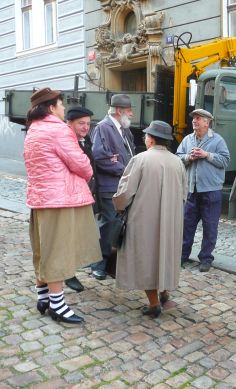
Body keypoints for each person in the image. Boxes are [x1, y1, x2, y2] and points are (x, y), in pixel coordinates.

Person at [24, 87, 101, 324]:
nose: (64, 108)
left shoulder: (33, 130)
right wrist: (87, 170)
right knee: (57, 252)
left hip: (40, 199)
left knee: (43, 249)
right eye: (61, 104)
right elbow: (82, 164)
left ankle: (43, 298)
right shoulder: (58, 130)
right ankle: (58, 305)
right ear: (50, 108)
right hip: (60, 200)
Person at [113, 120, 187, 318]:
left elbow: (125, 192)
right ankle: (164, 293)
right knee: (163, 254)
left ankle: (154, 304)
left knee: (146, 258)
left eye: (146, 136)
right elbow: (184, 194)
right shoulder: (177, 162)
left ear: (152, 139)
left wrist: (118, 207)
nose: (145, 138)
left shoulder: (141, 159)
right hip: (170, 221)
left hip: (143, 219)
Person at [176, 109, 230, 272]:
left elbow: (226, 160)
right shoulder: (187, 139)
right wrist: (188, 157)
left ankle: (206, 258)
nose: (194, 121)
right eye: (193, 118)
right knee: (187, 225)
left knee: (210, 226)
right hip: (191, 191)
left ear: (207, 122)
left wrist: (206, 155)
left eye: (198, 119)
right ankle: (182, 255)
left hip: (211, 191)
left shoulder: (217, 140)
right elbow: (177, 157)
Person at [91, 94, 136, 280]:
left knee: (119, 225)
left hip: (122, 186)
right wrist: (124, 169)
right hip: (109, 186)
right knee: (108, 224)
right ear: (119, 111)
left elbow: (131, 153)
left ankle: (111, 263)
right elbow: (101, 158)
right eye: (129, 111)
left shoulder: (124, 130)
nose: (132, 114)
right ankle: (97, 264)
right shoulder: (103, 127)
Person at [64, 106, 100, 292]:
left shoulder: (84, 141)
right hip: (71, 197)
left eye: (88, 123)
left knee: (78, 236)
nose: (86, 127)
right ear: (69, 124)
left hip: (85, 195)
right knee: (68, 236)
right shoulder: (68, 143)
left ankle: (70, 270)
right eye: (81, 123)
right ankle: (67, 273)